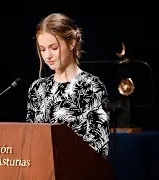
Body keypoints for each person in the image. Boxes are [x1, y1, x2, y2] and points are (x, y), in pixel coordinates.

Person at [25, 13, 110, 158]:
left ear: (71, 43)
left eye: (54, 47)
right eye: (42, 49)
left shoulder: (91, 86)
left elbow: (99, 148)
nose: (47, 56)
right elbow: (29, 141)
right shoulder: (37, 88)